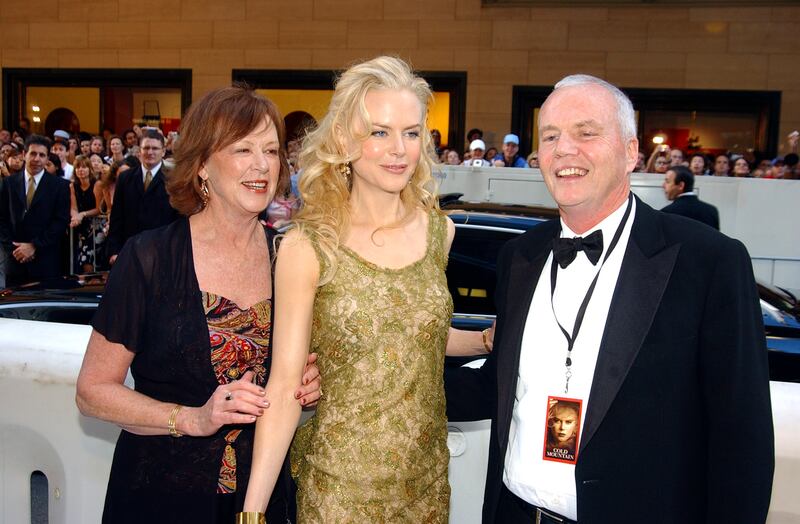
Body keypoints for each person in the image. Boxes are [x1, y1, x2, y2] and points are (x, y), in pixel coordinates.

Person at [444, 74, 773, 523]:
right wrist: (361, 379)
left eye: (586, 133)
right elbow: (495, 387)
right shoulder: (520, 257)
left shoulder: (709, 262)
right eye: (552, 136)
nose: (564, 150)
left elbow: (742, 441)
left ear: (632, 152)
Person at [75, 86, 321, 524]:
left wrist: (306, 388)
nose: (262, 165)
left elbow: (289, 386)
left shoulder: (290, 259)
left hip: (260, 499)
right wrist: (193, 418)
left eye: (270, 150)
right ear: (203, 163)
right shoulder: (149, 257)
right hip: (160, 499)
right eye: (243, 148)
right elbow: (93, 393)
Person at [243, 56, 456, 523]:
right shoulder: (308, 245)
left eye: (412, 132)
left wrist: (482, 339)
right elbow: (283, 387)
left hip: (426, 490)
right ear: (343, 139)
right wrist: (252, 513)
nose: (399, 149)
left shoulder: (441, 231)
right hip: (338, 493)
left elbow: (410, 330)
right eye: (379, 132)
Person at [0, 134, 70, 285]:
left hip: (46, 262)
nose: (37, 159)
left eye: (42, 155)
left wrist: (34, 246)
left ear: (47, 159)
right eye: (33, 153)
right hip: (15, 261)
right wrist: (15, 249)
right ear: (24, 155)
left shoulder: (60, 186)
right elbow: (1, 220)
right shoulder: (8, 184)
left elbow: (60, 222)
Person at [106, 129, 179, 264]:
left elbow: (179, 219)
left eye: (155, 148)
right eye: (146, 148)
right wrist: (114, 250)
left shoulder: (174, 180)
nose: (150, 152)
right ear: (139, 151)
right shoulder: (125, 178)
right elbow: (117, 216)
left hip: (163, 253)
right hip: (130, 251)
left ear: (163, 151)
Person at [69, 155, 104, 272]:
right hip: (81, 225)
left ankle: (91, 281)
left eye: (84, 167)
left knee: (87, 255)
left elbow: (98, 209)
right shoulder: (72, 186)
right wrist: (75, 217)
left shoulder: (97, 184)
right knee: (80, 255)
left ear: (90, 169)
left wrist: (82, 214)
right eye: (78, 167)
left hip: (97, 224)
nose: (81, 170)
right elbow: (73, 207)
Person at [661, 165, 720, 230]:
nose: (663, 185)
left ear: (681, 185)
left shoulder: (666, 213)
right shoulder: (711, 211)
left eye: (667, 181)